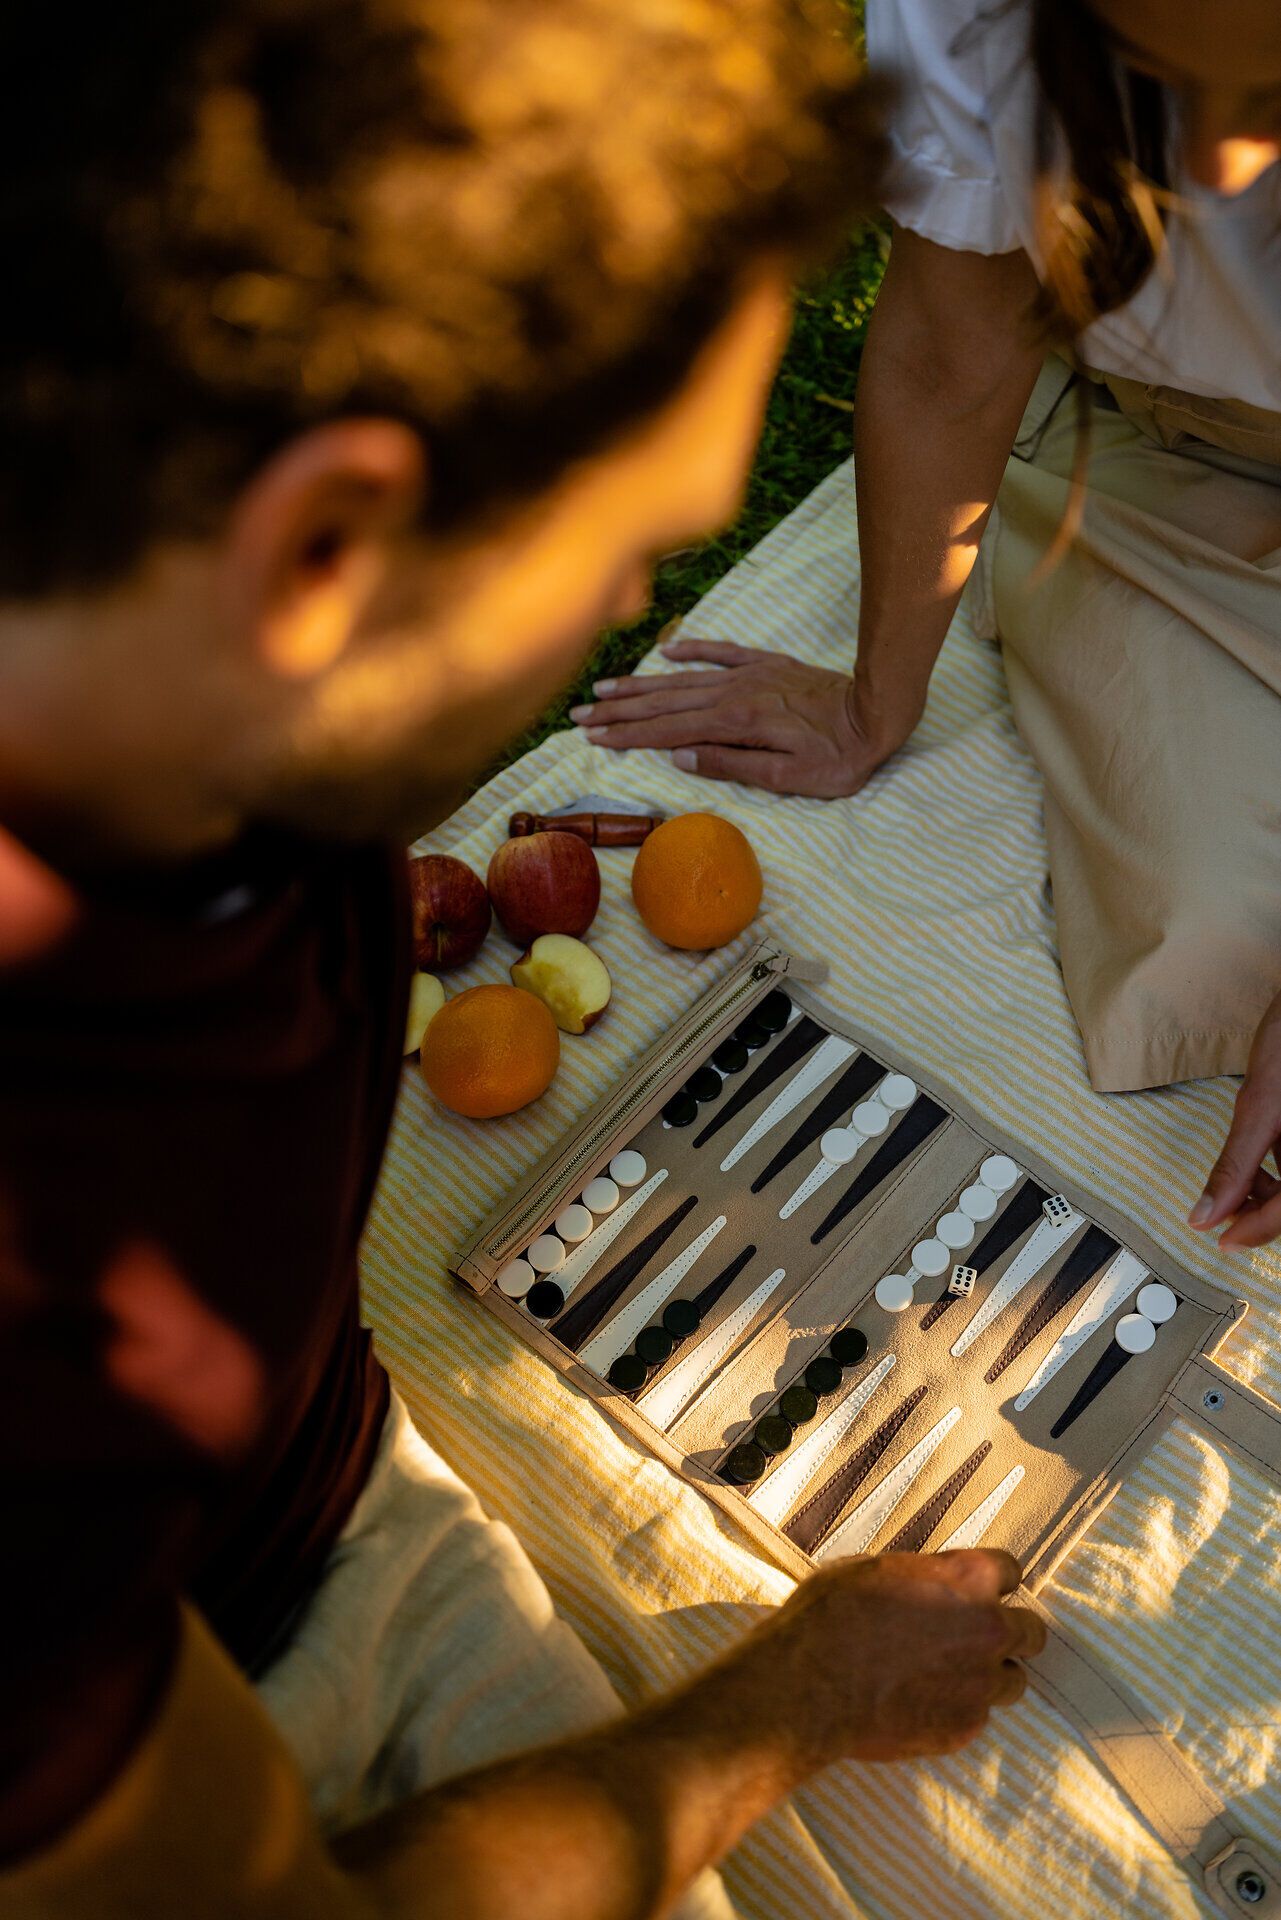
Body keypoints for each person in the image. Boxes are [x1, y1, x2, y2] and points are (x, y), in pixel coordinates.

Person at [0, 4, 1046, 1917]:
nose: (640, 606)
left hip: (315, 1482)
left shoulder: (181, 674)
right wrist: (798, 1697)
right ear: (325, 551)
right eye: (626, 545)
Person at [573, 0, 1281, 1252]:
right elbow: (956, 348)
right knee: (1217, 949)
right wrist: (871, 701)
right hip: (1179, 465)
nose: (1217, 176)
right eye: (1158, 91)